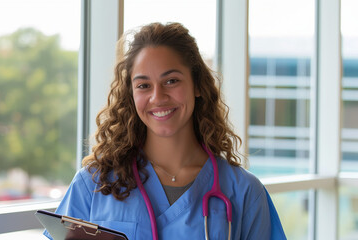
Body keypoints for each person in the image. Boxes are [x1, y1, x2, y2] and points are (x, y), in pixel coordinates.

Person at [43, 22, 286, 239]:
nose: (157, 97)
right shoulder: (94, 184)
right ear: (131, 94)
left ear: (198, 85)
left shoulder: (243, 192)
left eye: (171, 81)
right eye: (144, 85)